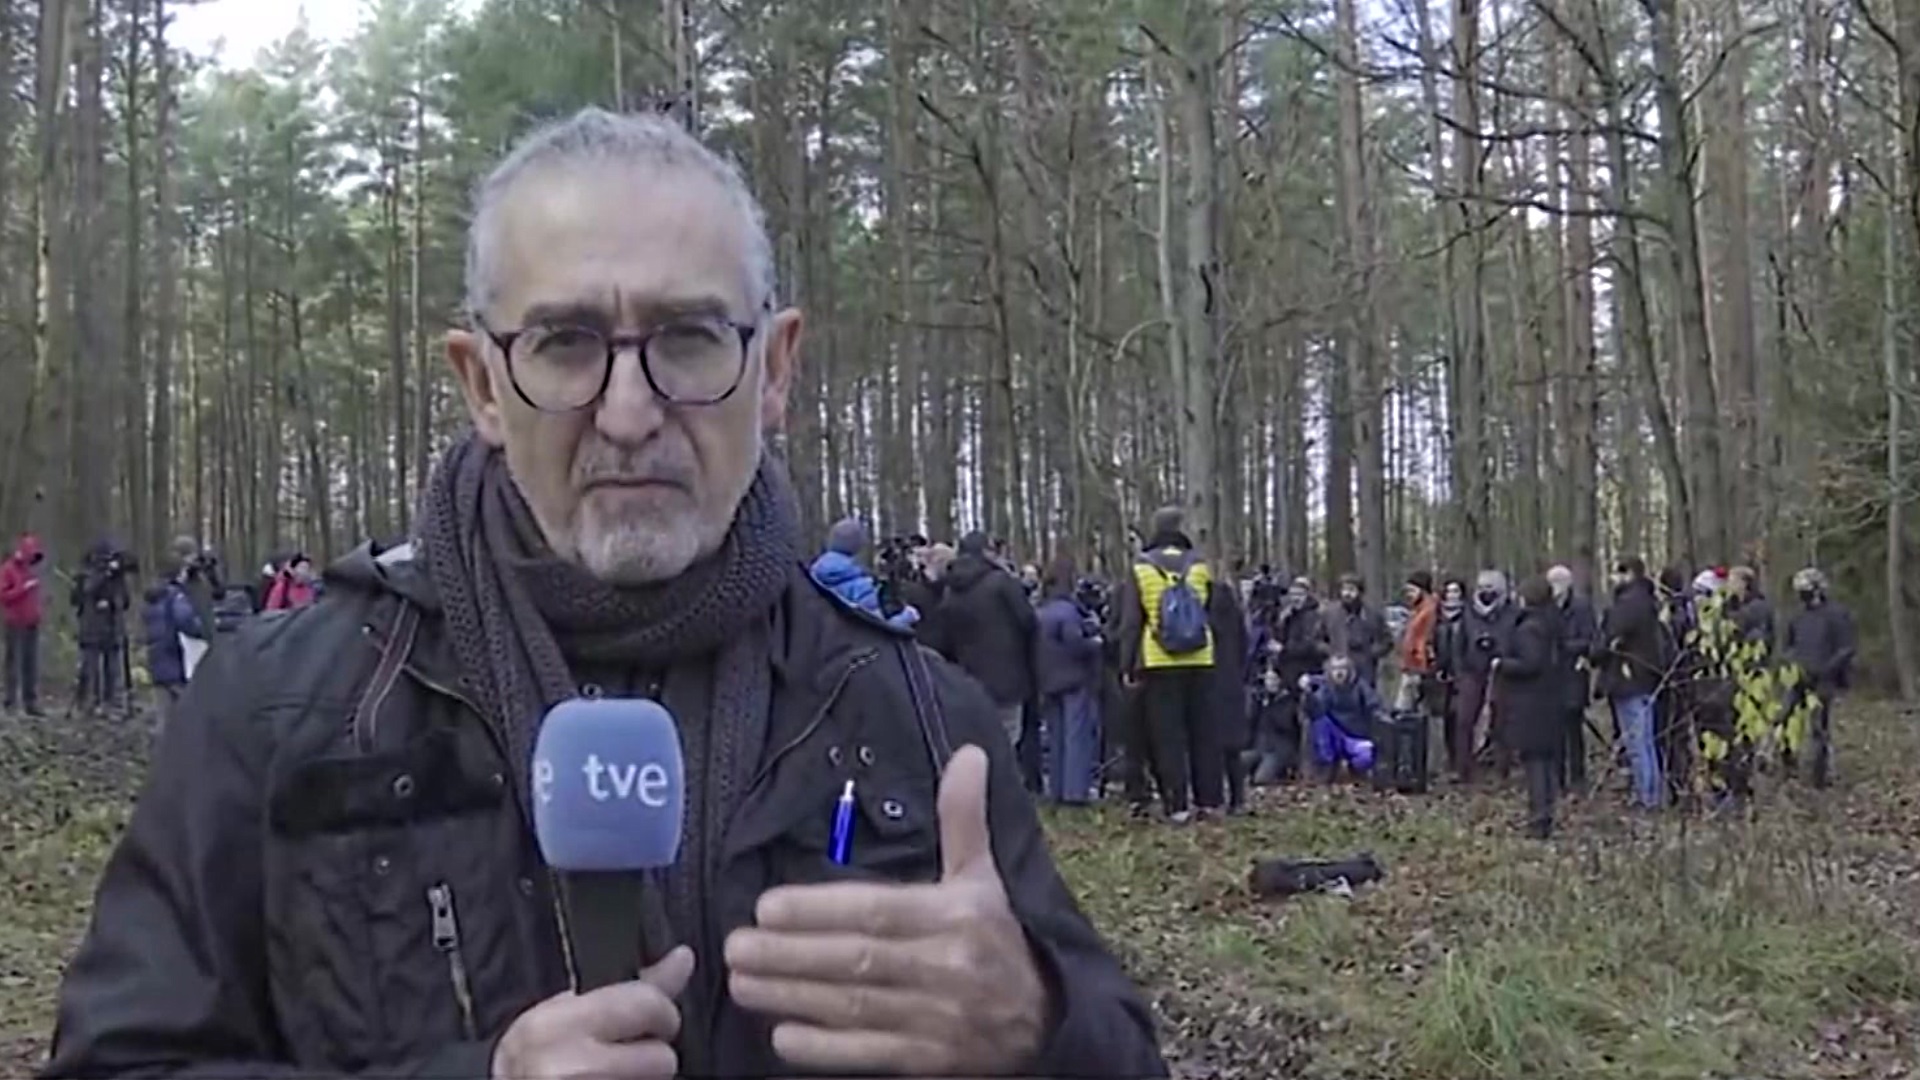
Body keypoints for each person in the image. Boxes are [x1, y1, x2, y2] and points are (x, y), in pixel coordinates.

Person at [43, 109, 1165, 1080]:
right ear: (483, 383)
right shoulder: (283, 708)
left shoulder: (917, 716)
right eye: (567, 344)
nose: (629, 414)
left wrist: (1038, 1025)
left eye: (690, 339)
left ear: (774, 369)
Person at [1113, 506, 1229, 822]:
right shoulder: (1199, 565)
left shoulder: (1141, 567)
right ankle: (1210, 800)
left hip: (1159, 659)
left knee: (1168, 736)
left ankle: (1177, 804)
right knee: (1203, 731)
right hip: (1201, 657)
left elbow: (1131, 622)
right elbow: (1212, 612)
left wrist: (1127, 665)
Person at [927, 530, 1040, 752]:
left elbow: (945, 639)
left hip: (969, 679)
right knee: (1007, 741)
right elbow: (1028, 621)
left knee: (978, 743)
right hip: (1008, 678)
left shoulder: (950, 590)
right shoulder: (1001, 582)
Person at [1034, 555, 1104, 806]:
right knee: (1076, 736)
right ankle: (1075, 792)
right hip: (1073, 678)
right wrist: (1095, 643)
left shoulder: (1040, 611)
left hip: (1047, 677)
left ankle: (1056, 789)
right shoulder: (1069, 612)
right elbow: (1074, 643)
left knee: (1056, 737)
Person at [1497, 576, 1563, 839]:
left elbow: (1530, 663)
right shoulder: (1552, 622)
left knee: (1535, 762)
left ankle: (1538, 819)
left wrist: (1502, 664)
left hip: (1531, 703)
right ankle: (1545, 814)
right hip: (1549, 699)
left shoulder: (1529, 628)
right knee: (1545, 762)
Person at [1599, 557, 1665, 809]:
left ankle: (1646, 798)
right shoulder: (1649, 601)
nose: (1613, 579)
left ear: (1628, 574)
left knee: (1637, 743)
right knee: (1646, 741)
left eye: (1617, 574)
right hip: (1646, 677)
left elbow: (1609, 637)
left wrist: (1596, 652)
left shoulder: (1627, 604)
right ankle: (1652, 794)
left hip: (1629, 678)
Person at [1783, 567, 1855, 788]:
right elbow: (1787, 645)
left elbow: (1846, 648)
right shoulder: (1797, 616)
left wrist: (1826, 669)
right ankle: (1788, 767)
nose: (1802, 595)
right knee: (1784, 719)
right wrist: (1793, 663)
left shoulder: (1837, 614)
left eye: (1805, 590)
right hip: (1798, 678)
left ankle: (1819, 777)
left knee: (1818, 728)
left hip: (1824, 679)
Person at [1453, 569, 1514, 782]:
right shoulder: (1468, 613)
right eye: (1481, 588)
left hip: (1501, 672)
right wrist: (1460, 672)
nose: (1485, 592)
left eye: (1490, 588)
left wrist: (1500, 651)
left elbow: (1515, 640)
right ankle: (1463, 769)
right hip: (1472, 671)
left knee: (1501, 722)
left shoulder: (1512, 612)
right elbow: (1459, 644)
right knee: (1464, 720)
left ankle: (1501, 769)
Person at [808, 517, 917, 627]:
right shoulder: (860, 585)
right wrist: (907, 616)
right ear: (857, 546)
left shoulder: (812, 577)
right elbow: (875, 624)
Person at [1546, 564, 1596, 792]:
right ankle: (1557, 778)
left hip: (1574, 672)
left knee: (1573, 729)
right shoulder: (1546, 608)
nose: (1554, 587)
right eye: (1551, 582)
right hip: (1550, 676)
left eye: (1558, 582)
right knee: (1554, 730)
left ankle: (1578, 776)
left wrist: (1565, 646)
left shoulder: (1582, 607)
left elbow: (1590, 639)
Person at [71, 540, 133, 714]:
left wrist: (113, 602)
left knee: (112, 668)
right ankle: (89, 701)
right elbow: (83, 593)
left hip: (111, 628)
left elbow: (125, 601)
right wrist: (104, 574)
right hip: (91, 628)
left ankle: (111, 702)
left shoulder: (116, 578)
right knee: (90, 669)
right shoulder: (86, 575)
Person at [140, 577, 205, 734]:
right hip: (175, 660)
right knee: (188, 708)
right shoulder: (175, 598)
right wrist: (205, 629)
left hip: (157, 660)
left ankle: (163, 744)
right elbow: (186, 622)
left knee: (164, 713)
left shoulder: (150, 604)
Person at [1300, 655, 1379, 783]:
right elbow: (1316, 709)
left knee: (1365, 758)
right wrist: (1307, 693)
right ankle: (1328, 767)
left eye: (1342, 668)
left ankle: (1354, 770)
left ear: (1349, 670)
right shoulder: (1326, 688)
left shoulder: (1360, 685)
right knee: (1320, 722)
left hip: (1356, 735)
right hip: (1335, 735)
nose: (1339, 672)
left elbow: (1374, 704)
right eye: (1335, 669)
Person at [1, 533, 46, 716]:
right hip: (15, 623)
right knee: (13, 663)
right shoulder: (8, 569)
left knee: (31, 663)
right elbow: (4, 596)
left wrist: (39, 612)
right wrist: (23, 588)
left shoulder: (31, 570)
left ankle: (31, 702)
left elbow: (35, 597)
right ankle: (10, 701)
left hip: (31, 623)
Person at [1427, 577, 1468, 775]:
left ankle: (1461, 759)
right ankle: (1448, 758)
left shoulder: (1467, 616)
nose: (1452, 596)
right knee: (1444, 719)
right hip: (1441, 673)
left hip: (1463, 672)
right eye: (1449, 591)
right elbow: (1432, 642)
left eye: (1456, 591)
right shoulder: (1438, 617)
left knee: (1461, 718)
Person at [1331, 572, 1391, 689]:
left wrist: (1373, 653)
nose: (1347, 593)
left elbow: (1387, 640)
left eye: (1351, 590)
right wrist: (1332, 652)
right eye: (1344, 589)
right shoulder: (1330, 614)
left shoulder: (1372, 615)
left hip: (1365, 669)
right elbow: (1318, 639)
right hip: (1337, 669)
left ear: (1360, 592)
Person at [1394, 570, 1438, 712]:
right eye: (1407, 591)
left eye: (1412, 590)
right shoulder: (1417, 610)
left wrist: (1420, 661)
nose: (1409, 594)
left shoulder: (1429, 610)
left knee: (1407, 708)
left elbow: (1426, 639)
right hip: (1412, 665)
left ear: (1423, 591)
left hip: (1419, 666)